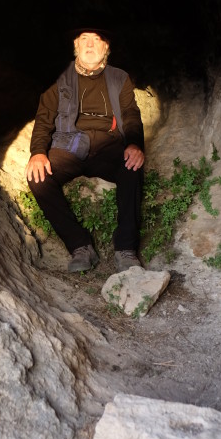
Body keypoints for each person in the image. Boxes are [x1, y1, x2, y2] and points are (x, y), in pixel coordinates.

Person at [26, 26, 145, 273]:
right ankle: (80, 246)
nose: (90, 45)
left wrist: (134, 144)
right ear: (76, 46)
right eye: (84, 39)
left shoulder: (118, 77)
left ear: (106, 47)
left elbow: (131, 114)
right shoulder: (59, 76)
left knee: (132, 167)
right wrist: (37, 152)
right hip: (69, 144)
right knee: (39, 178)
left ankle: (126, 249)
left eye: (97, 39)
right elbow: (44, 117)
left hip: (107, 144)